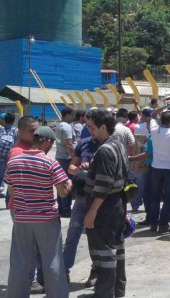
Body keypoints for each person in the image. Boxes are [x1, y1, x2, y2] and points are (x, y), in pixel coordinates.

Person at [6, 126, 72, 298]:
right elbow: (62, 192)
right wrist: (69, 184)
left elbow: (11, 190)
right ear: (48, 142)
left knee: (20, 261)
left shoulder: (13, 162)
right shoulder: (50, 163)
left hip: (21, 218)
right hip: (46, 219)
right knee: (52, 260)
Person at [83, 110, 128, 298]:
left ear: (103, 127)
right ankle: (117, 291)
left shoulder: (104, 150)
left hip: (104, 207)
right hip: (117, 204)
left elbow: (103, 185)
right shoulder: (118, 145)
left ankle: (104, 293)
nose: (89, 130)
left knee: (103, 255)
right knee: (116, 250)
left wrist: (92, 212)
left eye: (92, 127)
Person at [63, 112, 99, 287]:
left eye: (91, 126)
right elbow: (70, 167)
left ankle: (96, 270)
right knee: (73, 234)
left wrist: (93, 167)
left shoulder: (108, 145)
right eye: (88, 126)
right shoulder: (84, 144)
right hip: (82, 196)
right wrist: (78, 169)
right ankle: (64, 270)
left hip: (100, 198)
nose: (89, 130)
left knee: (97, 236)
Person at [149, 110, 170, 234]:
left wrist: (158, 109)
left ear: (161, 120)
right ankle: (163, 225)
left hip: (156, 167)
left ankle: (153, 223)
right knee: (168, 198)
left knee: (155, 197)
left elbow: (151, 117)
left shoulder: (154, 131)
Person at [54, 107, 75, 217]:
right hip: (66, 158)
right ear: (67, 115)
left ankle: (61, 207)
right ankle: (66, 208)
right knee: (67, 183)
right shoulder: (66, 127)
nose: (73, 117)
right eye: (72, 114)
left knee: (60, 182)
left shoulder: (59, 125)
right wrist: (74, 157)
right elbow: (69, 144)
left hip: (60, 156)